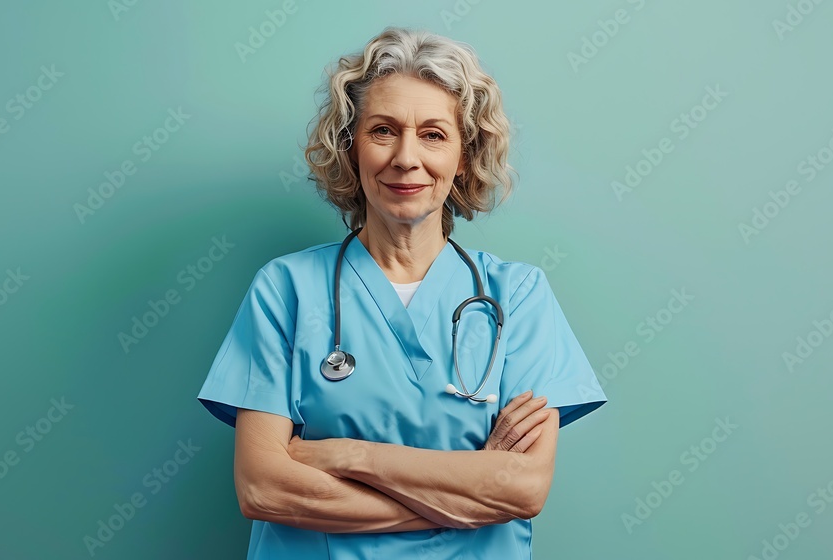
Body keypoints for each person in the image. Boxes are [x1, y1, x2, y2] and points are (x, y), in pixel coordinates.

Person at [197, 26, 607, 559]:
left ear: (464, 154)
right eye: (383, 131)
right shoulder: (287, 289)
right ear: (351, 149)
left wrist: (347, 456)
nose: (406, 157)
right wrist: (464, 501)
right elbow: (263, 487)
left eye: (434, 134)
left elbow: (523, 488)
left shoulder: (519, 295)